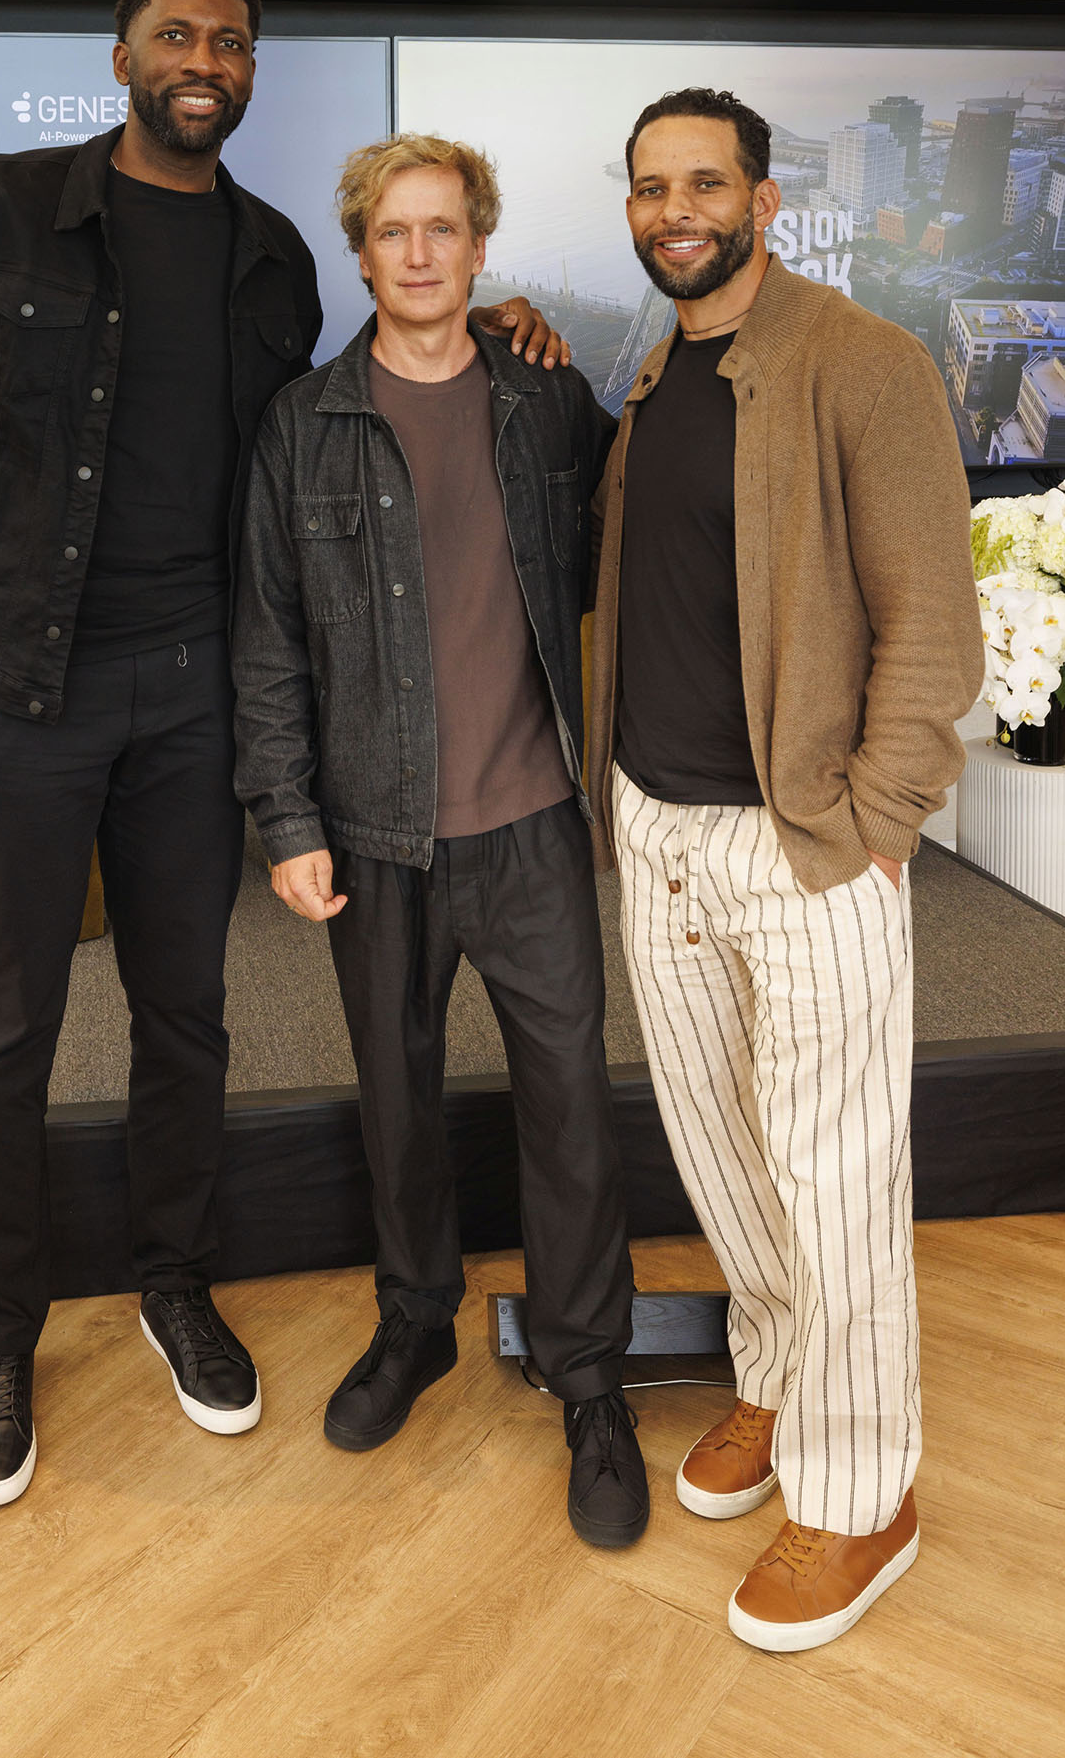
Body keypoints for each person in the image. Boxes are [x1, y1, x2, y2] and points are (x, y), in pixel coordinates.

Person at [0, 0, 565, 1508]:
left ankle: (173, 1282)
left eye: (230, 40)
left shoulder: (278, 260)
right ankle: (1, 1334)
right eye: (177, 34)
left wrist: (476, 318)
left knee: (188, 1016)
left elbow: (328, 447)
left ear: (247, 70)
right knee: (5, 1029)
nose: (203, 57)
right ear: (122, 58)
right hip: (22, 685)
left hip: (192, 695)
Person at [588, 86, 983, 1645]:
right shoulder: (654, 370)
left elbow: (931, 626)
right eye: (649, 187)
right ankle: (775, 1379)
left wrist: (878, 821)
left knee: (836, 1177)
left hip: (805, 843)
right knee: (728, 1156)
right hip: (660, 833)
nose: (675, 209)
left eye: (704, 183)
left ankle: (859, 1485)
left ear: (761, 197)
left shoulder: (863, 362)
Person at [232, 134, 650, 1550]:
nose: (419, 253)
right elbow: (270, 639)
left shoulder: (548, 405)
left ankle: (593, 1381)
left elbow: (629, 547)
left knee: (571, 1116)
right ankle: (416, 1323)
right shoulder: (305, 424)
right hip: (375, 831)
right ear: (362, 254)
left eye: (445, 230)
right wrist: (286, 820)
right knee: (399, 1103)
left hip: (533, 822)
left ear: (482, 253)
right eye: (394, 232)